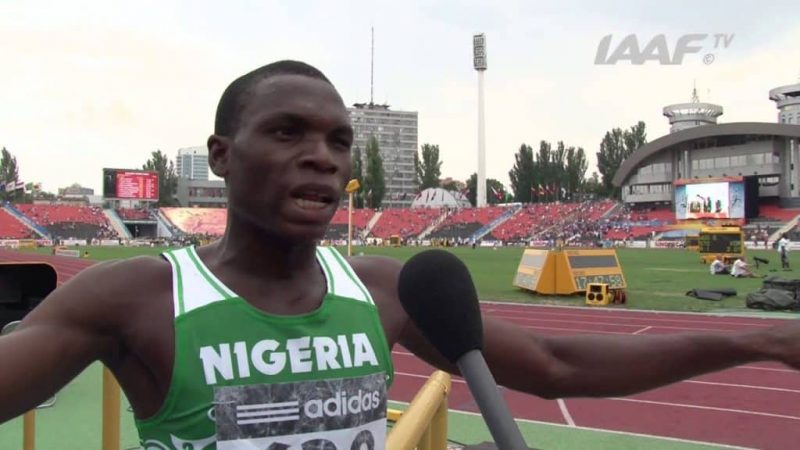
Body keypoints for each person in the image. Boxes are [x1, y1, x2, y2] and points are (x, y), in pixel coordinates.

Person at [2, 61, 800, 448]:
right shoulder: (135, 296)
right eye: (288, 132)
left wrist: (760, 339)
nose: (323, 156)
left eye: (339, 141)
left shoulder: (383, 283)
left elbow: (555, 363)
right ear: (221, 153)